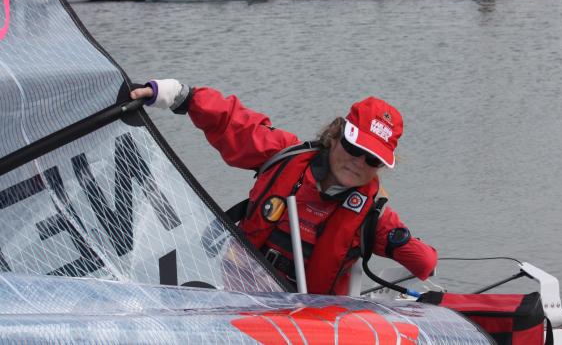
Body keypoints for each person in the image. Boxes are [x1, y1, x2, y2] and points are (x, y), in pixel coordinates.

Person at [131, 80, 437, 295]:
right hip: (240, 298)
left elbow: (423, 263)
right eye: (353, 147)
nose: (358, 162)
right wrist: (176, 94)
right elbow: (231, 124)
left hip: (305, 322)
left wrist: (387, 225)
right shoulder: (284, 155)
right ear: (337, 134)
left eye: (371, 159)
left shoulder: (372, 212)